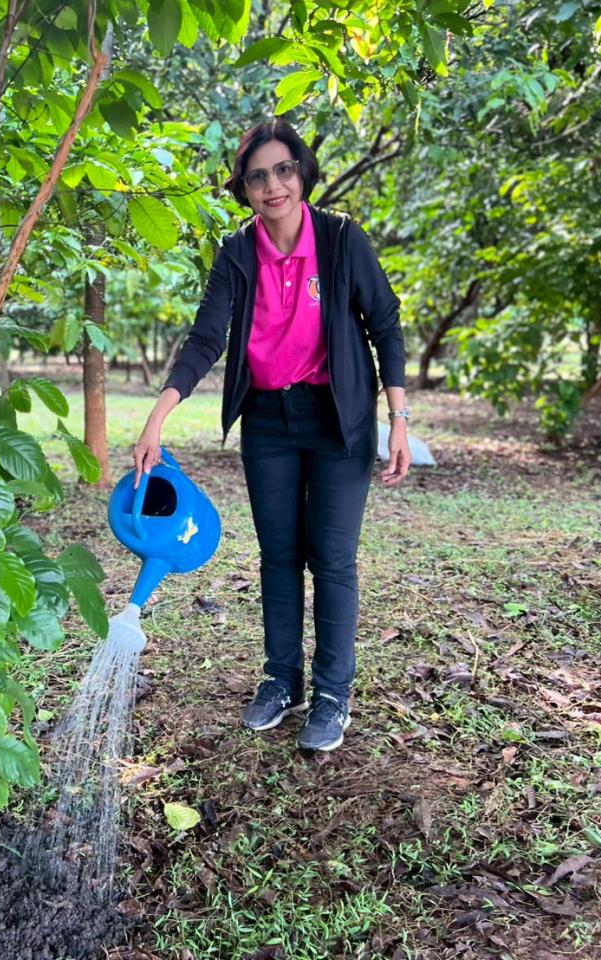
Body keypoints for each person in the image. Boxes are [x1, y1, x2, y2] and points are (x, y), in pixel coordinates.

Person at [132, 119, 411, 753]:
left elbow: (386, 326)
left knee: (331, 558)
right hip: (268, 424)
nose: (272, 185)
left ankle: (333, 693)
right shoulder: (237, 253)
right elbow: (207, 337)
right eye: (258, 175)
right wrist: (159, 414)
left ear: (302, 173)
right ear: (246, 188)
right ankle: (280, 680)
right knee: (278, 555)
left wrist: (398, 418)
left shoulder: (341, 241)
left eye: (283, 169)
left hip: (339, 420)